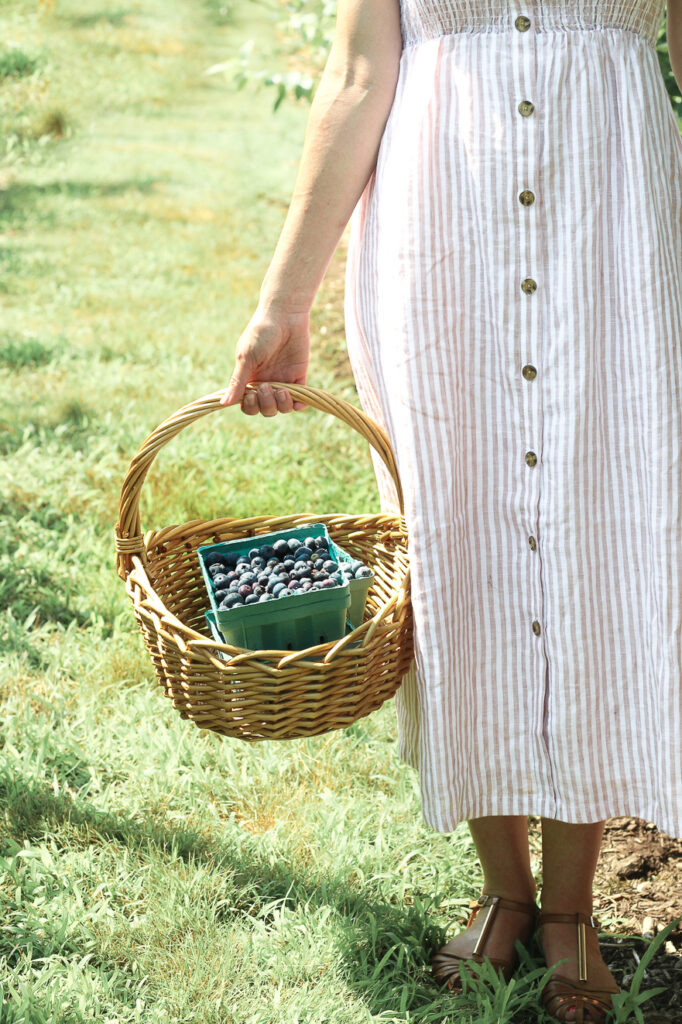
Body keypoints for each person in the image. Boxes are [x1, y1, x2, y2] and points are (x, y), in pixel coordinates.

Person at [220, 1, 682, 1020]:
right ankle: (505, 888)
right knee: (451, 536)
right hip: (442, 235)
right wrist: (282, 300)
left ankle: (568, 906)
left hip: (610, 232)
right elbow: (354, 79)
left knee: (600, 537)